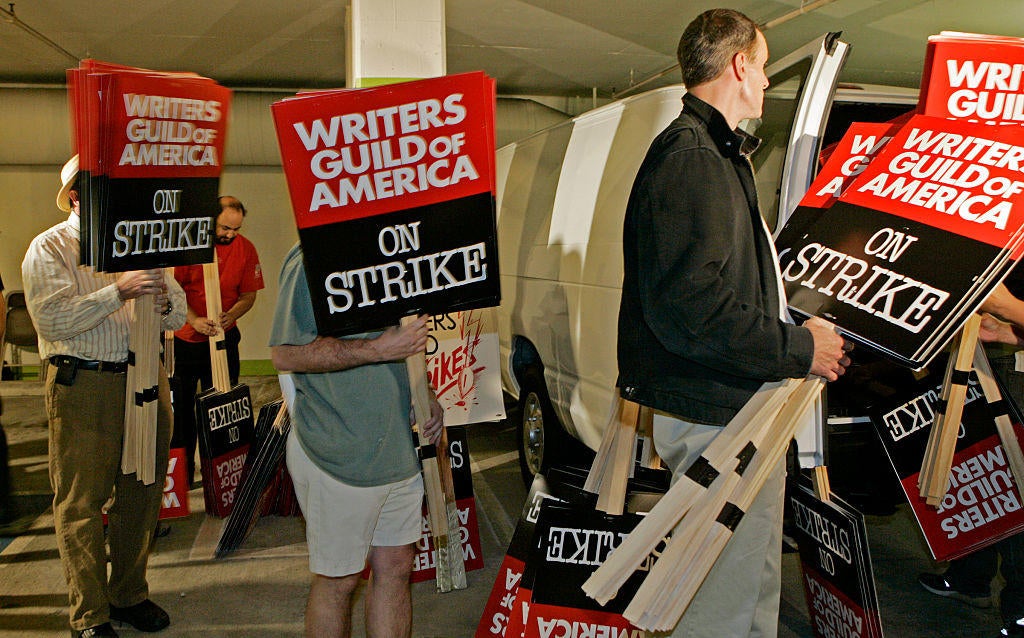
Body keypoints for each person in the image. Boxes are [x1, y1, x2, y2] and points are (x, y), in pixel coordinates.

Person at [616, 9, 849, 637]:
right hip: (716, 417)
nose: (768, 82)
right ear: (740, 65)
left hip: (724, 411)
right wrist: (799, 348)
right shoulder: (694, 158)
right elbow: (691, 310)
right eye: (765, 65)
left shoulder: (711, 153)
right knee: (722, 611)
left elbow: (715, 290)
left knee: (744, 598)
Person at [21, 155, 186, 638]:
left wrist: (164, 300)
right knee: (81, 501)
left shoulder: (143, 242)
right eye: (106, 189)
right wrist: (118, 291)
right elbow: (51, 320)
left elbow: (176, 319)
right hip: (85, 383)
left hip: (145, 379)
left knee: (143, 491)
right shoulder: (50, 247)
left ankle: (128, 594)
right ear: (76, 196)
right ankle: (89, 613)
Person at [269, 242, 444, 637]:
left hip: (399, 451)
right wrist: (379, 350)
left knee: (397, 568)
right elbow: (286, 355)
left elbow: (409, 342)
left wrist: (424, 393)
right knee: (339, 581)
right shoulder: (310, 257)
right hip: (338, 453)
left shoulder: (401, 248)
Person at [918, 281, 1024, 638]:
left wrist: (1011, 308)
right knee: (980, 467)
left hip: (1012, 364)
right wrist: (1012, 328)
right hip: (991, 347)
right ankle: (970, 574)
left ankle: (1021, 609)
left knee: (1013, 480)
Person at [171, 195, 264, 483]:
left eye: (235, 229)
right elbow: (173, 291)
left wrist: (231, 314)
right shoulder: (188, 245)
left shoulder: (246, 249)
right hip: (186, 341)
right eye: (224, 228)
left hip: (224, 339)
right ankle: (183, 477)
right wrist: (194, 320)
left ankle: (222, 473)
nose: (229, 235)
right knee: (183, 414)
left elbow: (249, 295)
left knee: (222, 408)